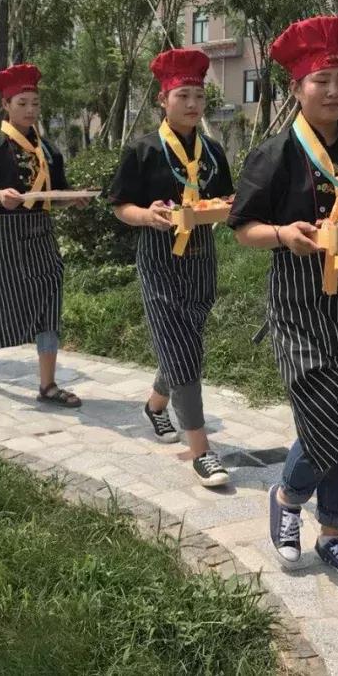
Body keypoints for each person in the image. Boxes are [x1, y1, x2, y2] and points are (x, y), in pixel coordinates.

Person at [230, 16, 338, 587]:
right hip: (300, 308)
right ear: (297, 88)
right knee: (326, 418)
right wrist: (284, 234)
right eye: (321, 80)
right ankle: (287, 497)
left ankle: (333, 534)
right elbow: (242, 227)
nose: (334, 91)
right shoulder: (277, 153)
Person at [108, 48, 235, 488]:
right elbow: (121, 206)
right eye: (183, 95)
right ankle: (201, 449)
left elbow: (225, 200)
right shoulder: (143, 150)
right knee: (181, 348)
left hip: (202, 255)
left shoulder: (213, 152)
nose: (193, 104)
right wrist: (147, 216)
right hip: (160, 258)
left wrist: (228, 207)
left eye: (199, 95)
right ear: (164, 99)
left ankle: (156, 405)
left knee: (189, 340)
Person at [0, 63, 84, 407]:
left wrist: (72, 200)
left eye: (35, 104)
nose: (30, 110)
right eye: (22, 103)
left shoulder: (48, 150)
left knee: (49, 303)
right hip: (7, 234)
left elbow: (54, 194)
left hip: (43, 233)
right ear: (6, 105)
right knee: (6, 300)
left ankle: (47, 385)